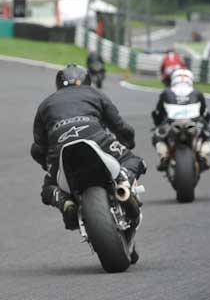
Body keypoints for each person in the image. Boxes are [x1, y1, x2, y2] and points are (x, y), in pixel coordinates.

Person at [31, 64, 147, 229]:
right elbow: (120, 126)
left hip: (60, 147)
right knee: (135, 160)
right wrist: (128, 141)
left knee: (48, 188)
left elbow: (38, 148)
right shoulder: (95, 93)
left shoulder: (45, 104)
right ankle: (124, 183)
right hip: (95, 137)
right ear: (86, 80)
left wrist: (48, 165)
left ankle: (66, 203)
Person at [151, 68, 210, 171]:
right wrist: (205, 126)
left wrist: (158, 125)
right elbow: (205, 113)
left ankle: (163, 156)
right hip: (193, 121)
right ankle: (203, 154)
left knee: (157, 136)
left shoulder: (166, 92)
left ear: (173, 79)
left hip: (172, 122)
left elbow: (158, 113)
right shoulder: (197, 92)